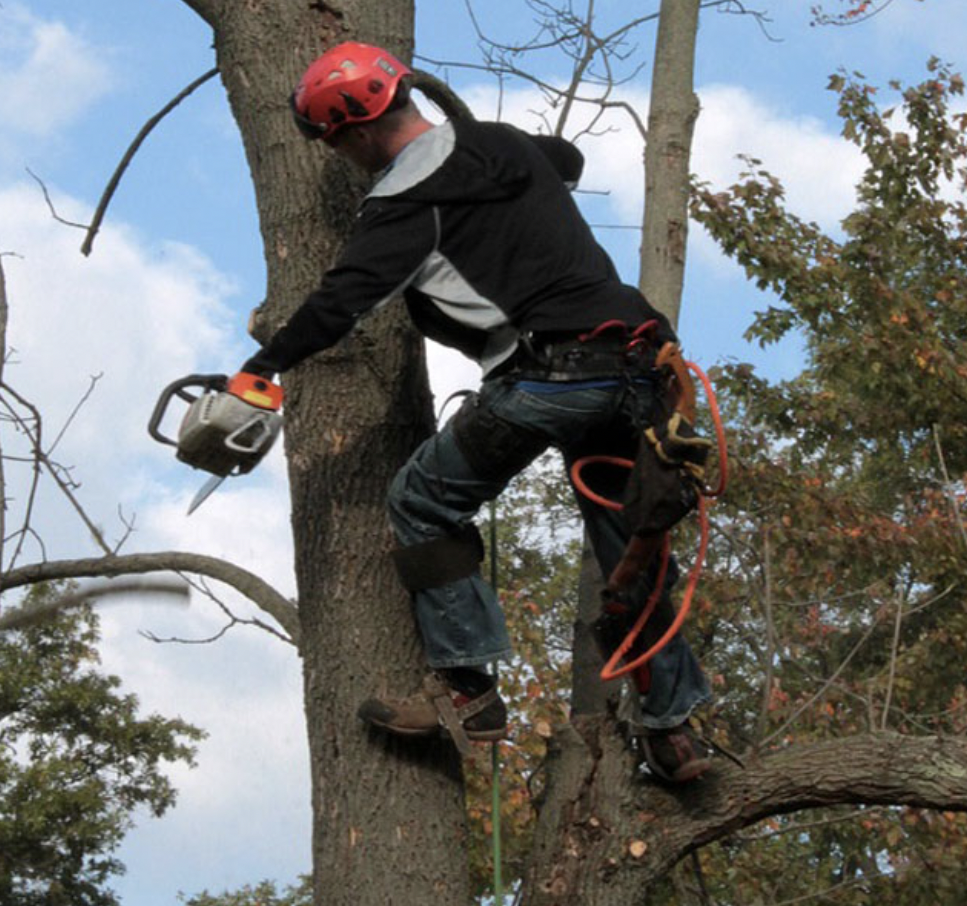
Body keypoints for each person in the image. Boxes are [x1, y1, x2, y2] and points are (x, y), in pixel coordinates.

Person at [241, 41, 712, 783]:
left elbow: (339, 303)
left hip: (552, 376)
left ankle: (467, 692)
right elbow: (567, 160)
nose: (344, 157)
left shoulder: (404, 205)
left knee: (421, 501)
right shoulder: (505, 145)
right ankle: (674, 733)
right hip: (642, 372)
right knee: (629, 551)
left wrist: (260, 371)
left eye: (339, 144)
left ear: (356, 132)